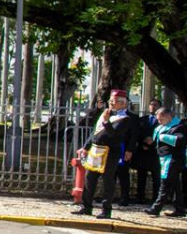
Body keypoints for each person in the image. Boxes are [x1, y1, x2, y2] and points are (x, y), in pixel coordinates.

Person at [73, 89, 141, 219]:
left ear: (122, 103)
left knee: (108, 180)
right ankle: (86, 206)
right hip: (95, 149)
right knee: (89, 178)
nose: (111, 103)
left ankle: (106, 209)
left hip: (110, 152)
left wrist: (106, 121)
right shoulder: (106, 113)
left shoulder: (125, 119)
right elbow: (95, 132)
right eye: (110, 101)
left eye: (114, 102)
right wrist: (86, 147)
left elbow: (114, 134)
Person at [146, 107, 185, 217]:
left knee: (165, 183)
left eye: (161, 119)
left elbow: (180, 140)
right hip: (165, 158)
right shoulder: (162, 127)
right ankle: (180, 209)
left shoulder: (179, 126)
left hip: (173, 158)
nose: (159, 122)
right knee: (175, 184)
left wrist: (164, 137)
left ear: (168, 116)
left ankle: (156, 208)